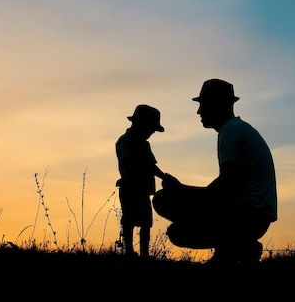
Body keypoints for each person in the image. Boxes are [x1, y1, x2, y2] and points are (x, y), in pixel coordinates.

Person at [153, 79, 277, 265]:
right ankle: (234, 248)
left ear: (218, 104)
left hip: (247, 216)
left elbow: (228, 185)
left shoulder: (230, 132)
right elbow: (227, 186)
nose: (199, 111)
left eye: (203, 104)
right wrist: (183, 189)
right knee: (174, 203)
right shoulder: (239, 129)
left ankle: (237, 247)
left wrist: (184, 193)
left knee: (166, 204)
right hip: (254, 215)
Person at [116, 104, 172, 258]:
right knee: (129, 219)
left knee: (146, 222)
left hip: (143, 189)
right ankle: (128, 251)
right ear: (140, 124)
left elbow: (151, 165)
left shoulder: (144, 144)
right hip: (129, 187)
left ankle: (144, 254)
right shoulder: (125, 141)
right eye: (151, 128)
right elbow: (134, 161)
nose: (152, 132)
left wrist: (165, 177)